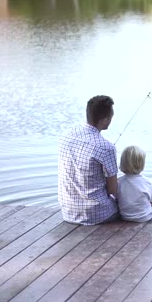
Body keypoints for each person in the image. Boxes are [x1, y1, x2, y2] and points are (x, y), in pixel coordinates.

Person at [58, 95, 119, 225]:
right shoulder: (107, 147)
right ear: (104, 119)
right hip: (98, 215)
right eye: (111, 117)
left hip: (68, 212)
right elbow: (113, 190)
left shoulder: (66, 135)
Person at [117, 145, 152, 222]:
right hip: (145, 217)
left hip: (125, 217)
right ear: (142, 164)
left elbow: (116, 198)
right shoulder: (147, 182)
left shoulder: (118, 182)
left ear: (123, 162)